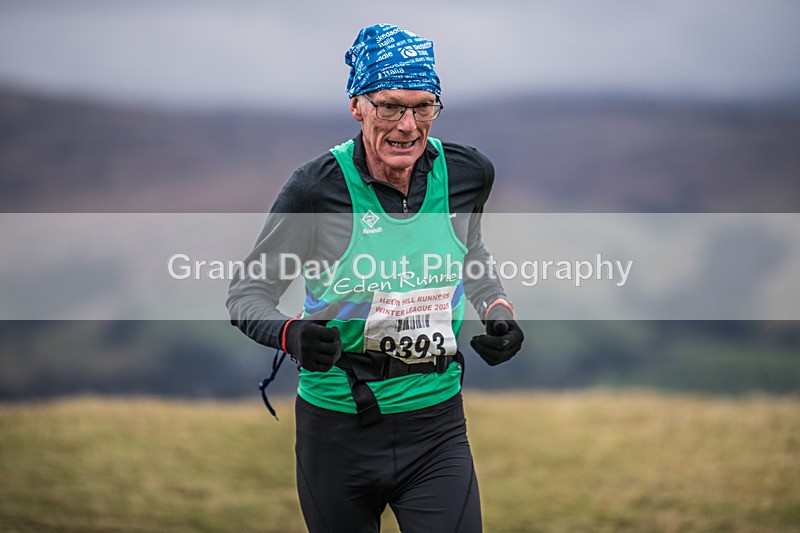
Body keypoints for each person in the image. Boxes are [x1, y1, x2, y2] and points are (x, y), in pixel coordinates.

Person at [227, 23, 524, 533]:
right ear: (357, 106)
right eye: (389, 107)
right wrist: (290, 334)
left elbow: (469, 252)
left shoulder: (468, 174)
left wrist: (498, 311)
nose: (408, 126)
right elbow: (247, 293)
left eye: (423, 107)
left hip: (436, 425)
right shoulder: (315, 189)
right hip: (336, 429)